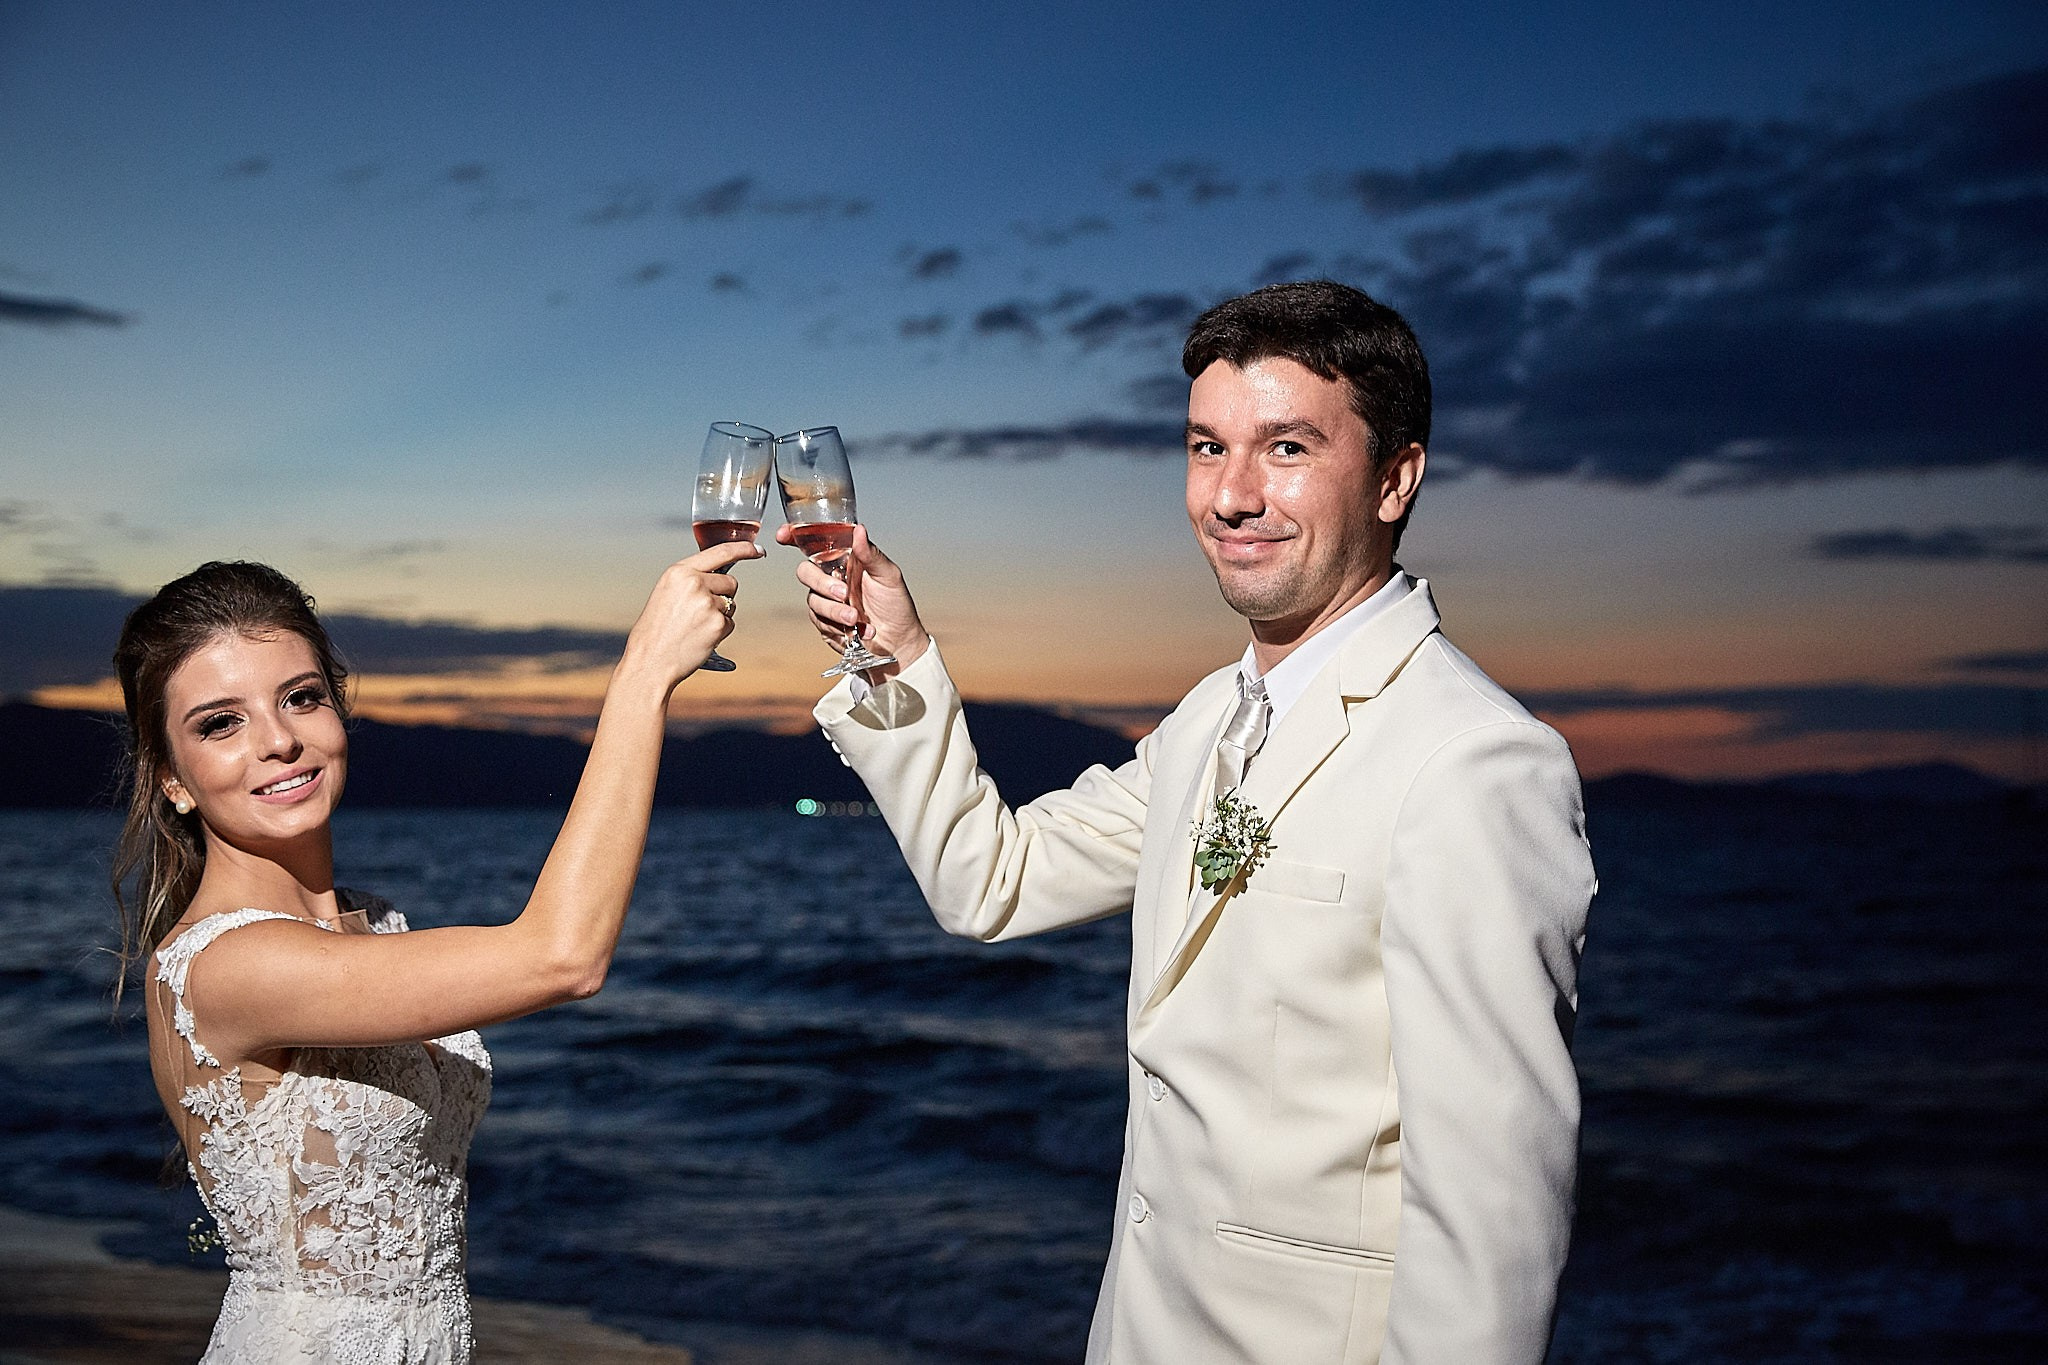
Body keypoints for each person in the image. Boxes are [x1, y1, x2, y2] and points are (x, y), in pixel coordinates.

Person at [786, 281, 1596, 1363]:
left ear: (1396, 477)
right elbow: (993, 882)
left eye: (1287, 448)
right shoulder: (1211, 718)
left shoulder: (1473, 763)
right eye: (1207, 448)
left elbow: (1490, 1222)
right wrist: (898, 659)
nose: (1231, 495)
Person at [109, 544, 756, 1363]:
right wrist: (644, 673)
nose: (278, 740)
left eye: (301, 698)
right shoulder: (230, 965)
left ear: (338, 710)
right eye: (221, 723)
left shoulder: (376, 923)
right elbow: (564, 956)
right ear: (171, 778)